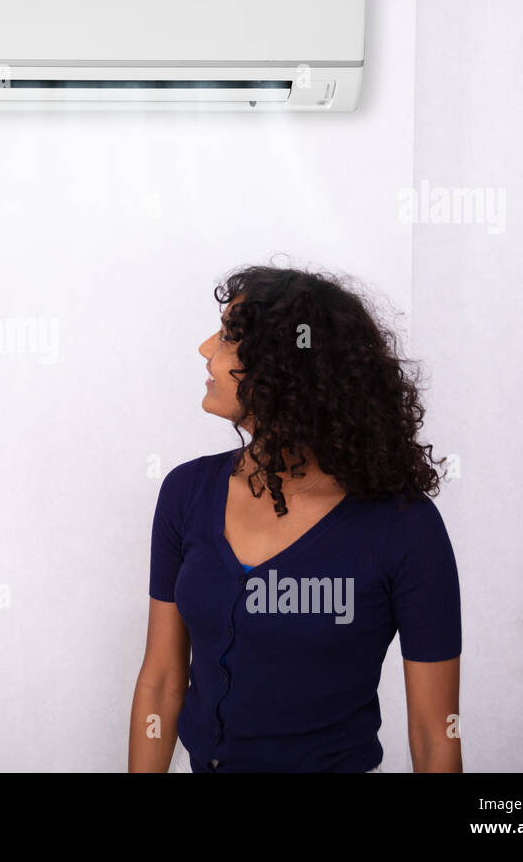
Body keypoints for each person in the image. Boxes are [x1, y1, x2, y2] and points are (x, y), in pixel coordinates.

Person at [129, 265, 461, 772]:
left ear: (286, 369)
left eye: (227, 336)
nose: (204, 348)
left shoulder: (404, 528)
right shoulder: (186, 492)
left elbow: (434, 736)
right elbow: (162, 679)